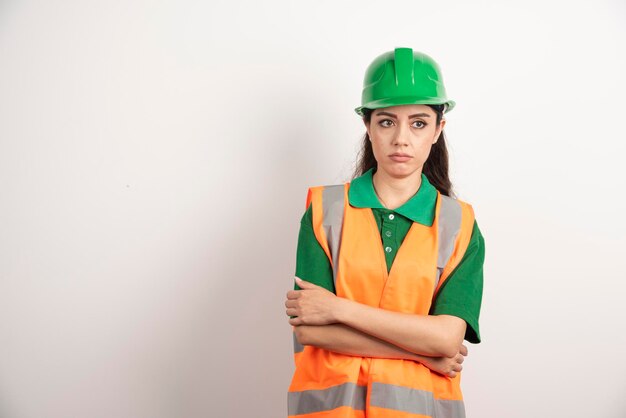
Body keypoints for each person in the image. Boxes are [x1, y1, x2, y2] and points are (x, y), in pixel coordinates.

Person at [284, 47, 485, 418]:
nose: (402, 139)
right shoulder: (323, 210)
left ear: (440, 129)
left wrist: (338, 309)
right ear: (368, 125)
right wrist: (420, 351)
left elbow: (446, 338)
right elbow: (311, 331)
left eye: (419, 123)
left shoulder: (460, 225)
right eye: (387, 122)